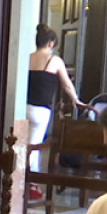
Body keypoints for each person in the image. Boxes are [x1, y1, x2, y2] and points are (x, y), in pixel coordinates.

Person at [27, 23, 91, 197]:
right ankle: (30, 184)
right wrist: (75, 100)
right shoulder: (54, 61)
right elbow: (67, 85)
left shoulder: (28, 58)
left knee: (22, 145)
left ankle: (23, 181)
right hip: (41, 110)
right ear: (51, 43)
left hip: (24, 108)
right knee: (35, 146)